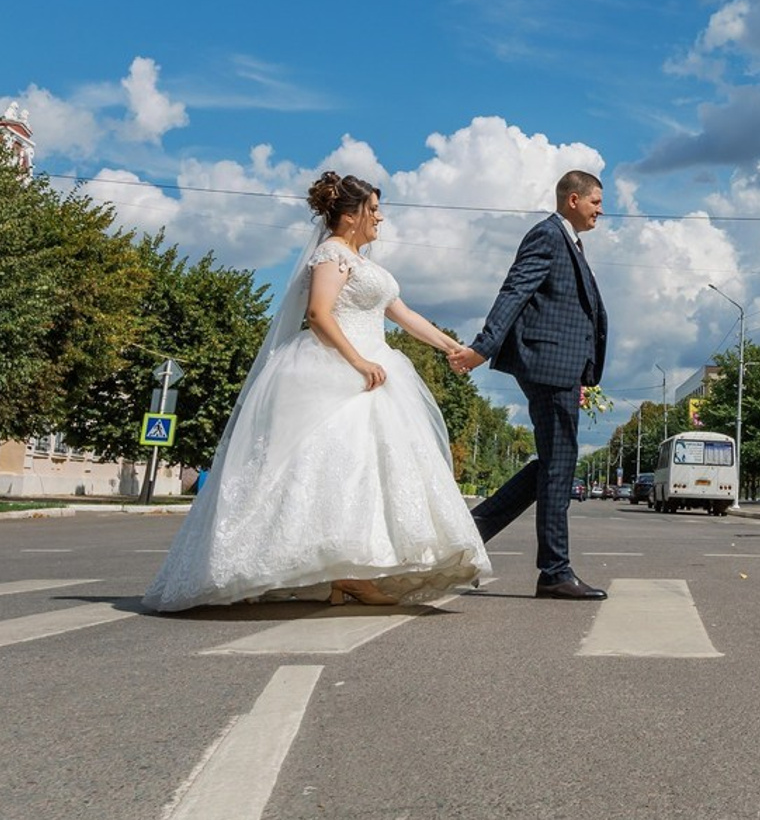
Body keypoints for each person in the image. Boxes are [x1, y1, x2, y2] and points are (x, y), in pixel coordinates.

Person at [143, 172, 490, 612]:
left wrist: (452, 348)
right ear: (350, 216)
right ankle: (344, 575)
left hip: (376, 369)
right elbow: (319, 314)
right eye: (374, 209)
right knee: (331, 470)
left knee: (366, 473)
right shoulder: (331, 254)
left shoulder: (364, 263)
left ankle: (351, 574)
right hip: (339, 368)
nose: (380, 217)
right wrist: (358, 361)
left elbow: (401, 313)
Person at [451, 170, 608, 600]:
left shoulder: (568, 241)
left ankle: (474, 530)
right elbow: (515, 290)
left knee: (557, 465)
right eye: (596, 201)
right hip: (547, 365)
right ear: (572, 199)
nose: (601, 210)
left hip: (560, 368)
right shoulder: (546, 236)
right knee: (559, 464)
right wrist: (483, 347)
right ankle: (554, 571)